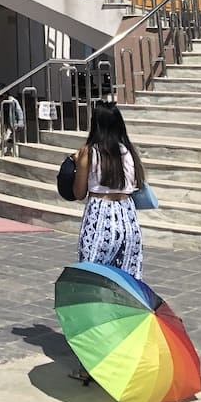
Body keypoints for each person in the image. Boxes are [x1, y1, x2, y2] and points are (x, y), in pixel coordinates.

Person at [73, 102, 145, 279]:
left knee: (92, 274)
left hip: (99, 214)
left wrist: (77, 165)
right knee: (126, 278)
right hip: (127, 215)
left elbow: (79, 193)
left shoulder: (89, 152)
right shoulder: (128, 152)